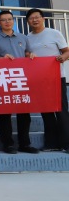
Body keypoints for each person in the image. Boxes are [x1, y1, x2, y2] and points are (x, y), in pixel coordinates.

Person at [0, 11, 39, 154]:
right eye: (4, 20)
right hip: (3, 80)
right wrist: (1, 59)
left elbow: (28, 53)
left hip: (21, 80)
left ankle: (25, 143)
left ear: (13, 21)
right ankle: (8, 144)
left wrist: (31, 55)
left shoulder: (23, 37)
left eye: (9, 19)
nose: (7, 22)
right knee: (5, 114)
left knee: (24, 114)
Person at [26, 8, 69, 152]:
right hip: (39, 80)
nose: (35, 20)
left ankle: (66, 143)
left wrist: (63, 57)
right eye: (31, 18)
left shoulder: (54, 33)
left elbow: (66, 51)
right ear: (28, 21)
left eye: (37, 17)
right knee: (46, 111)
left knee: (61, 110)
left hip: (57, 77)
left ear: (43, 18)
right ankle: (51, 143)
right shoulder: (28, 38)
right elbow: (27, 56)